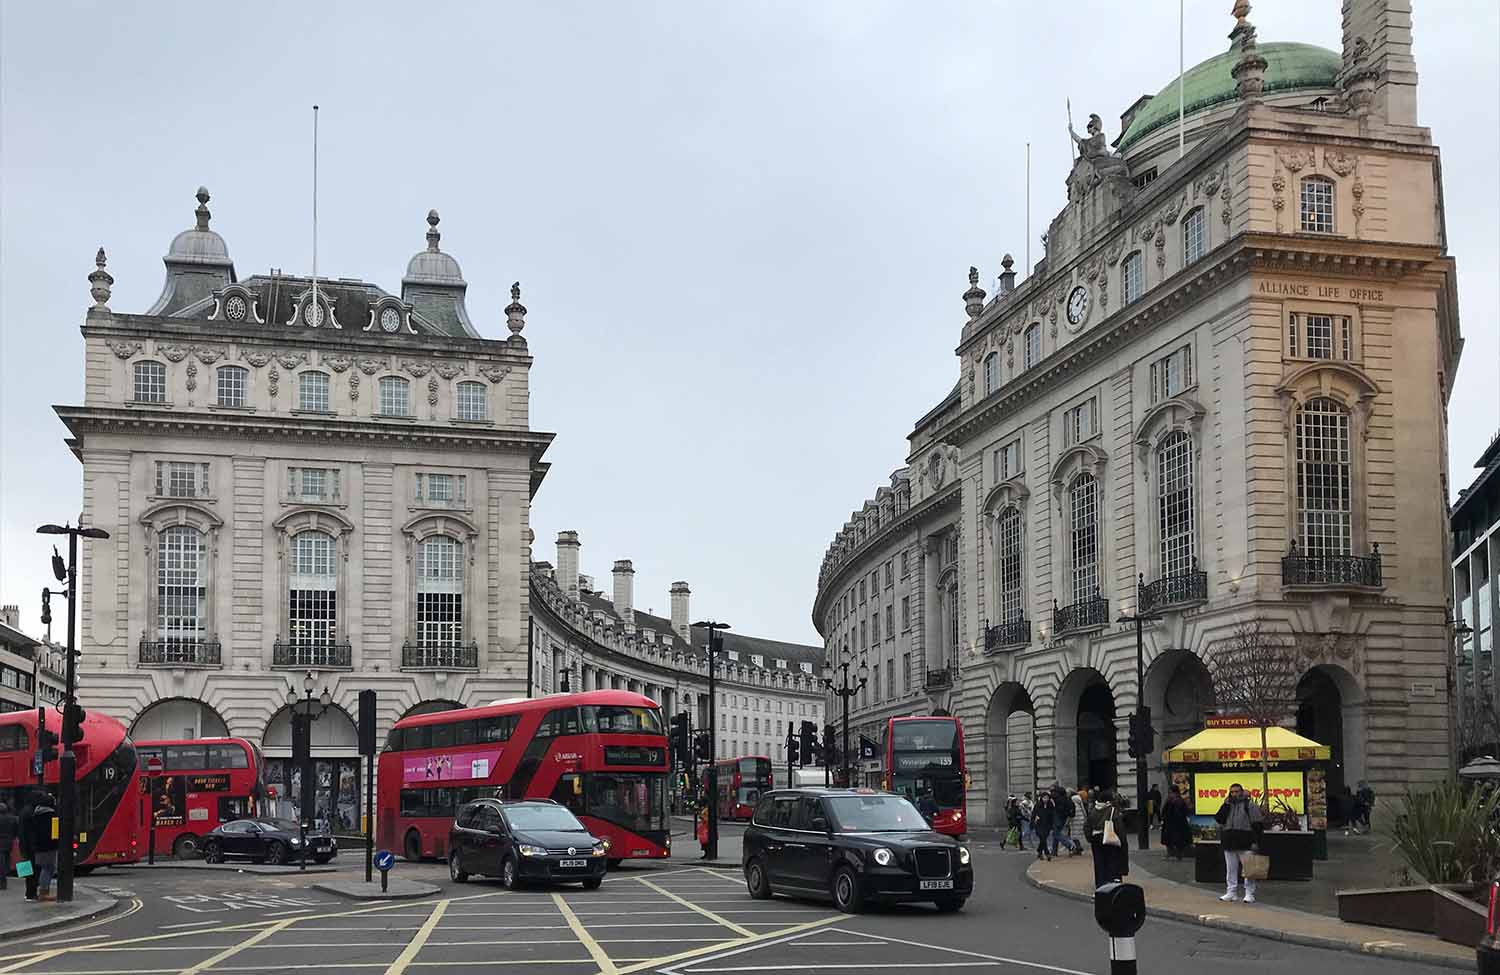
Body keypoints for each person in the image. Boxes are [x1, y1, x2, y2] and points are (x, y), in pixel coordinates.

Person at [1214, 782, 1265, 903]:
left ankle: (1249, 893)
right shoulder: (1227, 804)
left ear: (1242, 792)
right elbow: (1219, 818)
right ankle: (1231, 892)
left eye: (1237, 791)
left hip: (1245, 840)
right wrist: (1226, 804)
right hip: (1229, 840)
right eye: (1232, 792)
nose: (1234, 794)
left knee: (1249, 869)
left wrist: (1255, 841)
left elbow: (1257, 824)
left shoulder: (1249, 805)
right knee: (1231, 869)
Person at [1086, 788, 1129, 887]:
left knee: (1099, 864)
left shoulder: (1093, 810)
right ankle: (1113, 885)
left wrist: (1090, 838)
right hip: (1110, 839)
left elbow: (1087, 826)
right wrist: (1122, 841)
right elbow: (1119, 827)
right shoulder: (1113, 811)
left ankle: (1100, 885)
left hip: (1096, 840)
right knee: (1112, 862)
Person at [23, 791, 57, 902]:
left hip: (25, 845)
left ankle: (28, 893)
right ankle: (32, 893)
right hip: (35, 846)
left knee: (28, 870)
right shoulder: (33, 813)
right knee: (39, 869)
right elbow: (52, 833)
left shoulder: (28, 812)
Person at [1161, 785, 1192, 860]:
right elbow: (1186, 811)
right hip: (1180, 823)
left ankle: (1171, 854)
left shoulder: (1170, 800)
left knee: (1169, 839)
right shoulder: (1180, 800)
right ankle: (1179, 854)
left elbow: (1165, 811)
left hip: (1170, 823)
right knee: (1179, 840)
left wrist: (1164, 818)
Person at [1032, 791, 1057, 861]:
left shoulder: (1050, 805)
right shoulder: (1038, 805)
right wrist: (1035, 818)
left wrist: (1052, 825)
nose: (1046, 799)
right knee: (1042, 838)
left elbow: (1053, 815)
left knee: (1044, 839)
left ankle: (1039, 852)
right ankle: (1047, 853)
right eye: (1044, 798)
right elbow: (1033, 814)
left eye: (1047, 798)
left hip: (1047, 825)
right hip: (1039, 825)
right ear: (1041, 798)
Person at [0, 802, 17, 890]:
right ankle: (6, 874)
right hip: (9, 842)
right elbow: (15, 830)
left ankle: (2, 882)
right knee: (6, 860)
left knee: (1, 863)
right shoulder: (12, 818)